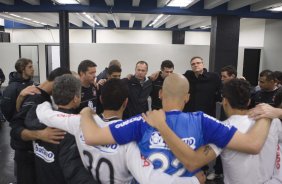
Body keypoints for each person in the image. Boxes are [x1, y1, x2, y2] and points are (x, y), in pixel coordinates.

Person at [79, 74, 271, 177]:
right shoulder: (203, 120)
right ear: (187, 98)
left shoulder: (142, 121)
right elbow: (253, 145)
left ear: (160, 94)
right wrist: (268, 114)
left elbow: (92, 136)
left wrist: (86, 111)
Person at [36, 77, 204, 184]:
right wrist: (193, 181)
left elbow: (45, 115)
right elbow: (149, 178)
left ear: (101, 99)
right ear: (125, 103)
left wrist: (43, 99)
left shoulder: (80, 122)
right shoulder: (129, 138)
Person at [23, 74, 96, 184]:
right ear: (76, 98)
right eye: (79, 93)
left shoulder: (38, 118)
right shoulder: (71, 130)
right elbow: (73, 172)